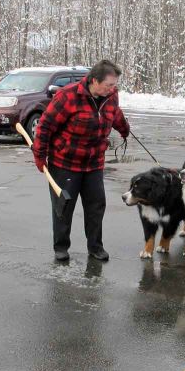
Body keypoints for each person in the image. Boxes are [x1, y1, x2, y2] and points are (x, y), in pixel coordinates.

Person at [32, 59, 130, 261]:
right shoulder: (68, 96)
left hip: (94, 164)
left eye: (114, 85)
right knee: (64, 207)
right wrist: (40, 156)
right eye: (109, 84)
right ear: (94, 80)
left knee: (96, 206)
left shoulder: (110, 96)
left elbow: (115, 114)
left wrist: (124, 128)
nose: (113, 89)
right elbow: (45, 126)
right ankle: (61, 247)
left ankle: (95, 247)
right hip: (65, 163)